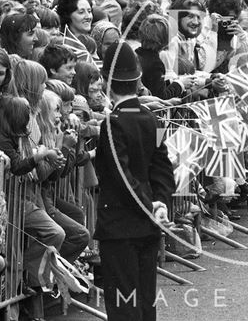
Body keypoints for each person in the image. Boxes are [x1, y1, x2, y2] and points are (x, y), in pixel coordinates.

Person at [93, 41, 175, 321]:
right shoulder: (151, 118)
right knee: (145, 301)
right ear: (139, 80)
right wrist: (160, 202)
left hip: (120, 224)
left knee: (123, 302)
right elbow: (162, 167)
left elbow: (121, 176)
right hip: (148, 223)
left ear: (106, 81)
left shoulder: (112, 122)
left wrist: (149, 205)